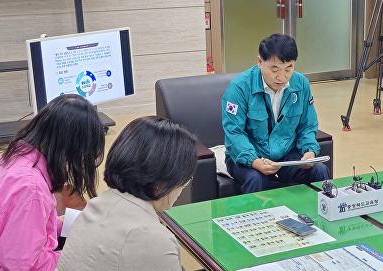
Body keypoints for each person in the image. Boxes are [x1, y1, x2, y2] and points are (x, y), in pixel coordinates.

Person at [57, 116, 197, 270]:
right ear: (163, 179)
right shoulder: (150, 237)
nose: (182, 188)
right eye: (184, 181)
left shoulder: (96, 206)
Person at [0, 94, 105, 270]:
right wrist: (77, 257)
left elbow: (19, 224)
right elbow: (22, 265)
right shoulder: (31, 188)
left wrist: (61, 225)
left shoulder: (16, 154)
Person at [222, 33, 330, 194]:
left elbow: (308, 125)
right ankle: (257, 219)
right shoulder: (239, 87)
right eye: (275, 69)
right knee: (256, 179)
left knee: (319, 171)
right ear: (259, 62)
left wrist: (310, 151)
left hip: (286, 153)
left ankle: (317, 217)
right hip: (249, 155)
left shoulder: (301, 84)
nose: (282, 77)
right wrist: (254, 161)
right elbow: (234, 132)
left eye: (289, 69)